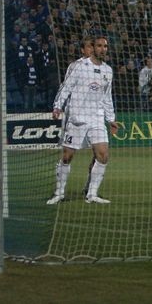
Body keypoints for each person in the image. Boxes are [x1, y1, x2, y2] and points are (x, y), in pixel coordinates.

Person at [47, 36, 119, 205]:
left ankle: (92, 194)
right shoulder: (80, 67)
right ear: (93, 48)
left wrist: (111, 119)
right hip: (77, 117)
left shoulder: (108, 70)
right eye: (100, 46)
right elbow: (67, 87)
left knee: (103, 155)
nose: (103, 49)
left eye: (105, 46)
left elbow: (107, 97)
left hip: (96, 118)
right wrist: (58, 106)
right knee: (67, 157)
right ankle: (59, 193)